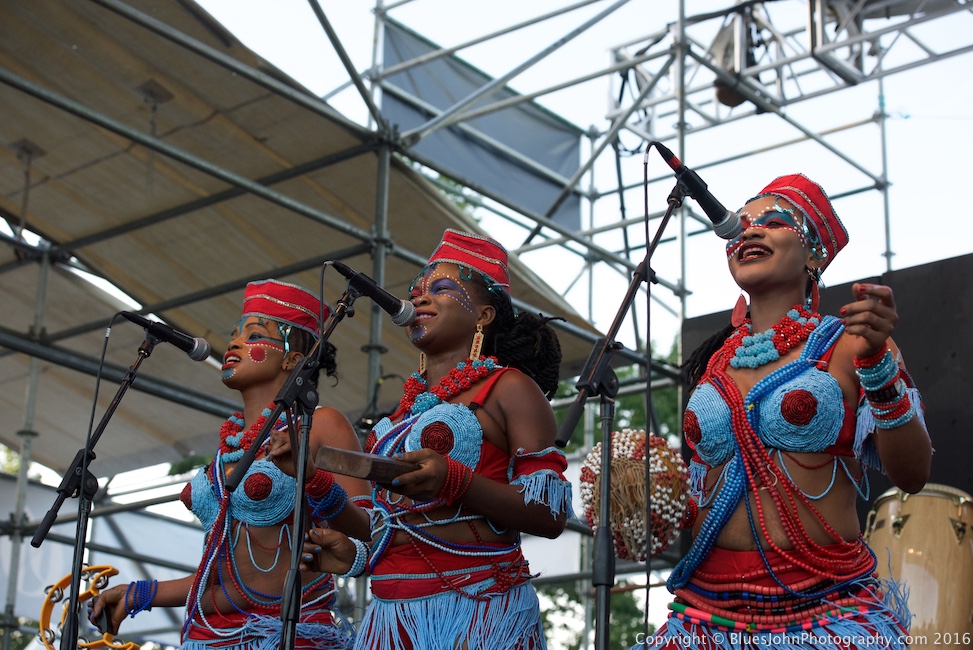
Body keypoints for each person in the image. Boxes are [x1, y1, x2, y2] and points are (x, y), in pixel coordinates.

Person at [634, 174, 933, 649]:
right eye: (740, 226)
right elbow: (706, 494)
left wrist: (876, 364)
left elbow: (913, 474)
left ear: (814, 254)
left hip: (824, 613)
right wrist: (649, 503)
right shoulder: (714, 365)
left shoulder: (851, 343)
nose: (748, 232)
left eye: (773, 223)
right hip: (706, 617)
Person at [300, 229, 572, 649]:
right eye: (416, 291)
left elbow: (550, 515)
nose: (420, 298)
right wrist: (321, 491)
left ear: (483, 316)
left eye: (442, 289)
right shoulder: (399, 417)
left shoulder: (510, 388)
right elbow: (383, 529)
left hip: (477, 611)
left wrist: (456, 481)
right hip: (391, 619)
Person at [89, 279, 372, 650]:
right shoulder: (229, 448)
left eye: (253, 335)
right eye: (234, 334)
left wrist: (315, 479)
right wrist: (136, 594)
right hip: (210, 635)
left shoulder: (321, 423)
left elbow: (370, 532)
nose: (234, 343)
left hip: (285, 635)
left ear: (293, 360)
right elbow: (225, 577)